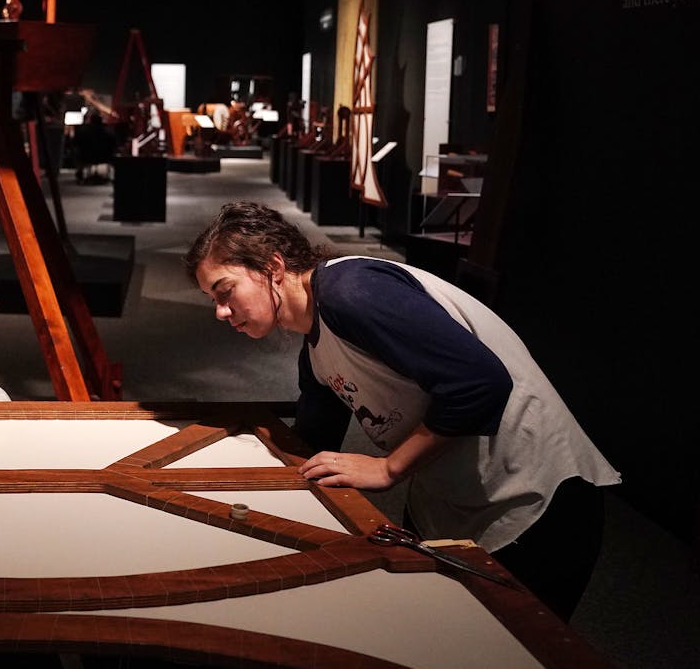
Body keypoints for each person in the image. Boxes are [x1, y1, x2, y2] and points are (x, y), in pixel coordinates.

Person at [183, 202, 620, 622]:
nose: (221, 312)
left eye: (225, 292)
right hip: (452, 500)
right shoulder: (315, 345)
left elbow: (481, 382)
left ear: (273, 268)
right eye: (213, 300)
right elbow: (311, 445)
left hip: (533, 501)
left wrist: (389, 469)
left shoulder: (351, 292)